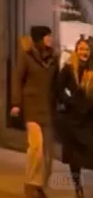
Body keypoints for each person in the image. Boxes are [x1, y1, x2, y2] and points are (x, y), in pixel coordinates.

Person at [11, 24, 59, 198]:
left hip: (48, 108)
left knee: (48, 154)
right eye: (47, 36)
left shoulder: (54, 58)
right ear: (39, 38)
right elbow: (17, 79)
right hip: (31, 106)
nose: (50, 39)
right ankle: (30, 185)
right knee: (36, 147)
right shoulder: (26, 56)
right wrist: (16, 103)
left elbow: (57, 83)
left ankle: (40, 185)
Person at [59, 38, 93, 198]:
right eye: (81, 49)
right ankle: (77, 187)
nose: (84, 52)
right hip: (73, 118)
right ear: (76, 50)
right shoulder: (68, 68)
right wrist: (69, 101)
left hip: (89, 118)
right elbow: (58, 88)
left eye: (86, 49)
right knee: (74, 157)